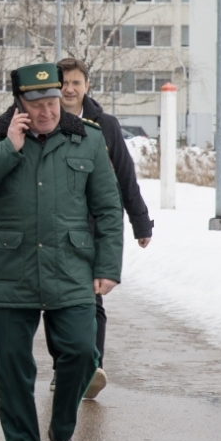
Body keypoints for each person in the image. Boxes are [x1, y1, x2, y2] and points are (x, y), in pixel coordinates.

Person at [0, 63, 123, 441]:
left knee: (82, 352)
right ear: (20, 104)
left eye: (52, 101)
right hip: (14, 269)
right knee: (13, 365)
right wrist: (9, 149)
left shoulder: (88, 139)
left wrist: (108, 266)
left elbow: (108, 208)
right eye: (37, 104)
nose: (47, 111)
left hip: (71, 267)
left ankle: (62, 432)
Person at [49, 57, 154, 395]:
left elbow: (125, 176)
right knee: (58, 302)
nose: (69, 89)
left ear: (86, 86)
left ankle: (92, 368)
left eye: (75, 83)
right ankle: (63, 368)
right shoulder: (45, 120)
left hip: (92, 227)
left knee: (91, 299)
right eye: (63, 83)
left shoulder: (105, 125)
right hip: (54, 226)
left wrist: (141, 222)